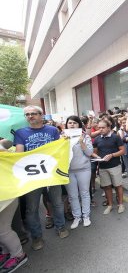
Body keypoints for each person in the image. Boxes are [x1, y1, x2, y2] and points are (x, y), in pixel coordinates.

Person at [14, 106, 69, 251]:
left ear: (41, 115)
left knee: (56, 203)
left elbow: (59, 148)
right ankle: (37, 237)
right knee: (31, 209)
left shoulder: (52, 130)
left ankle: (61, 227)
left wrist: (66, 140)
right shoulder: (20, 133)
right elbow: (19, 154)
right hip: (32, 177)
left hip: (52, 174)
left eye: (33, 113)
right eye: (27, 114)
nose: (30, 116)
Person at [0, 140, 28, 272]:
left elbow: (11, 148)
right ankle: (6, 252)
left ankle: (18, 255)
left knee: (3, 230)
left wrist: (2, 148)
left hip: (6, 195)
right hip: (4, 194)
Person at [64, 116, 96, 229]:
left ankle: (86, 216)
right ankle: (77, 217)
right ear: (66, 125)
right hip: (68, 171)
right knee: (72, 196)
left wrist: (82, 142)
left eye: (74, 123)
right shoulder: (62, 137)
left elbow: (89, 153)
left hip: (84, 169)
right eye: (70, 123)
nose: (72, 125)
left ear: (79, 125)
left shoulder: (85, 136)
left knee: (85, 193)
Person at [93, 119, 126, 214]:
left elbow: (122, 151)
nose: (101, 130)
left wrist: (112, 155)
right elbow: (95, 152)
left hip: (115, 166)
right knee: (107, 187)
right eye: (99, 128)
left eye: (103, 127)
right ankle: (110, 205)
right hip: (103, 167)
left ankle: (120, 204)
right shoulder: (97, 139)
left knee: (118, 186)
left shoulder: (115, 137)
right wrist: (97, 157)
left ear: (108, 127)